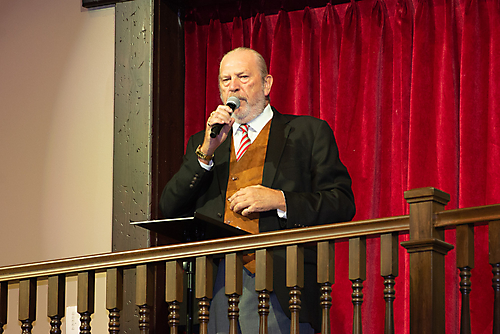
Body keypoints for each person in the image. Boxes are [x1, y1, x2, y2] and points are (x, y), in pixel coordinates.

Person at [160, 47, 355, 334]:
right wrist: (205, 155)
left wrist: (280, 199)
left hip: (281, 285)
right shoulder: (205, 144)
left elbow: (342, 202)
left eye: (242, 77)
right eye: (225, 80)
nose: (233, 86)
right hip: (214, 288)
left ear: (266, 84)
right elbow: (169, 208)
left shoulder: (308, 132)